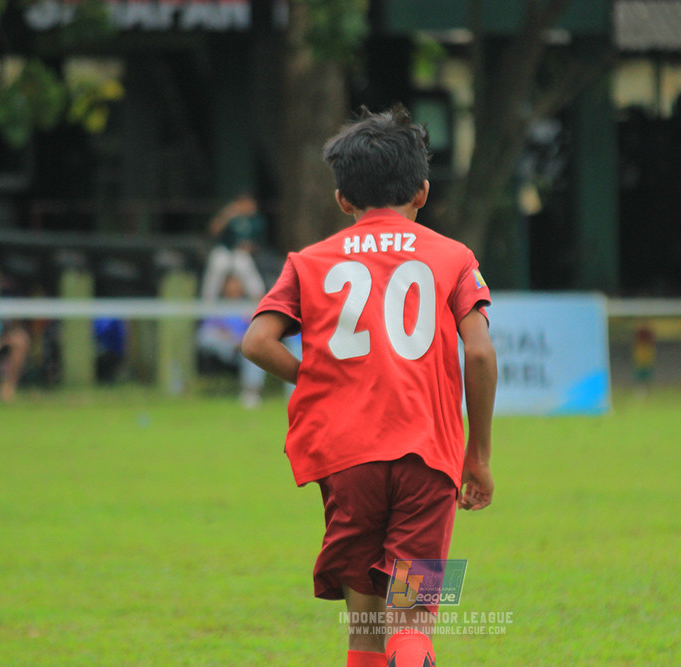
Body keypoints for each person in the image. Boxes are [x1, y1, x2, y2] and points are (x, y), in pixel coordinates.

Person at [241, 105, 498, 667]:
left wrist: (318, 377)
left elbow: (256, 342)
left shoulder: (308, 262)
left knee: (364, 629)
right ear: (422, 192)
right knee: (413, 621)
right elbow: (479, 352)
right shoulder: (454, 257)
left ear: (342, 199)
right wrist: (477, 456)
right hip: (428, 460)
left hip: (346, 460)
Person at [197, 275, 266, 408]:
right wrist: (229, 337)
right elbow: (207, 329)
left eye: (236, 285)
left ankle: (251, 393)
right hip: (224, 346)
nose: (233, 288)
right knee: (206, 336)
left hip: (243, 347)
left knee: (256, 352)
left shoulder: (249, 307)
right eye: (230, 285)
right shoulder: (217, 306)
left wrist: (242, 341)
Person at [200, 192, 267, 302]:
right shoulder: (231, 216)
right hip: (224, 250)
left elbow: (259, 244)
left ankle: (259, 300)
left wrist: (250, 247)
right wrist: (227, 214)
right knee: (217, 263)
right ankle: (207, 301)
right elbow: (213, 231)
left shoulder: (257, 221)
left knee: (244, 264)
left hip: (242, 253)